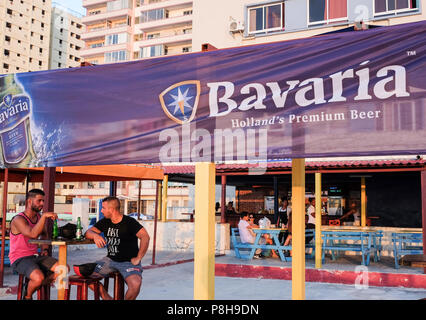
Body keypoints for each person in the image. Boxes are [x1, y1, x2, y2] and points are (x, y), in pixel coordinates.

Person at [85, 196, 150, 300]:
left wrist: (139, 257)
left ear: (111, 209)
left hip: (128, 261)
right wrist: (96, 235)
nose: (101, 211)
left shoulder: (129, 222)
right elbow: (88, 232)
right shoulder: (105, 221)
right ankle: (108, 298)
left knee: (136, 284)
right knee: (86, 276)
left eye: (103, 208)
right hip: (110, 260)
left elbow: (145, 237)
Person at [8, 189, 62, 300]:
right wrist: (43, 217)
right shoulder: (18, 219)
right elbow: (32, 234)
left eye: (43, 201)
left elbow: (45, 234)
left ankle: (29, 286)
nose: (42, 204)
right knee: (38, 278)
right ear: (29, 201)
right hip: (19, 259)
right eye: (39, 201)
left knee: (63, 269)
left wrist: (45, 249)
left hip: (35, 256)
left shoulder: (37, 218)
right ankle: (27, 296)